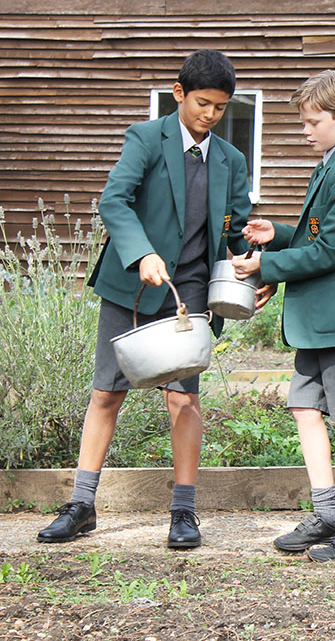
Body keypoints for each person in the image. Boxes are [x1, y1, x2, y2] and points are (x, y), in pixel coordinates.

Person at [37, 49, 252, 548]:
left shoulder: (231, 160)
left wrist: (252, 270)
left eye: (221, 107)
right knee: (107, 395)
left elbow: (235, 227)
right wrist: (142, 254)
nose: (211, 115)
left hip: (190, 294)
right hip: (130, 286)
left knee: (183, 399)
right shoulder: (144, 138)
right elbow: (114, 199)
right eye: (203, 103)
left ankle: (183, 512)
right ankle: (82, 505)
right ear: (178, 94)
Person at [232, 70, 335, 564]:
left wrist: (265, 265)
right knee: (304, 407)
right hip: (322, 318)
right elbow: (318, 236)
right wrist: (276, 235)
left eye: (312, 121)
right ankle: (327, 514)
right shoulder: (331, 163)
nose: (305, 129)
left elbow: (332, 251)